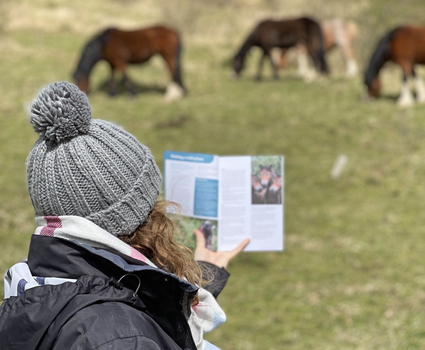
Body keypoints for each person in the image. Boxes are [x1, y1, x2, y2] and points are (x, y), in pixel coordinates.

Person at [0, 81, 249, 350]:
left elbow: (122, 297)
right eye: (152, 200)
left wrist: (203, 278)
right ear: (135, 220)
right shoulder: (121, 338)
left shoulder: (42, 285)